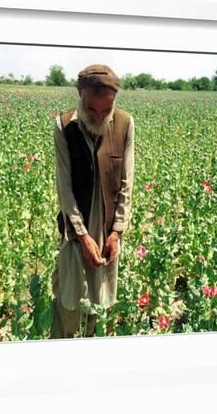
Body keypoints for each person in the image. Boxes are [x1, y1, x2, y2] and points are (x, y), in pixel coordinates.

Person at [50, 64, 135, 339]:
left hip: (108, 228)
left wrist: (116, 231)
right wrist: (82, 235)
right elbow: (65, 187)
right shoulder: (64, 126)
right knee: (70, 295)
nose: (99, 117)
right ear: (79, 94)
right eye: (92, 110)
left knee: (101, 296)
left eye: (105, 111)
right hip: (76, 228)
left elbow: (126, 181)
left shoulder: (124, 123)